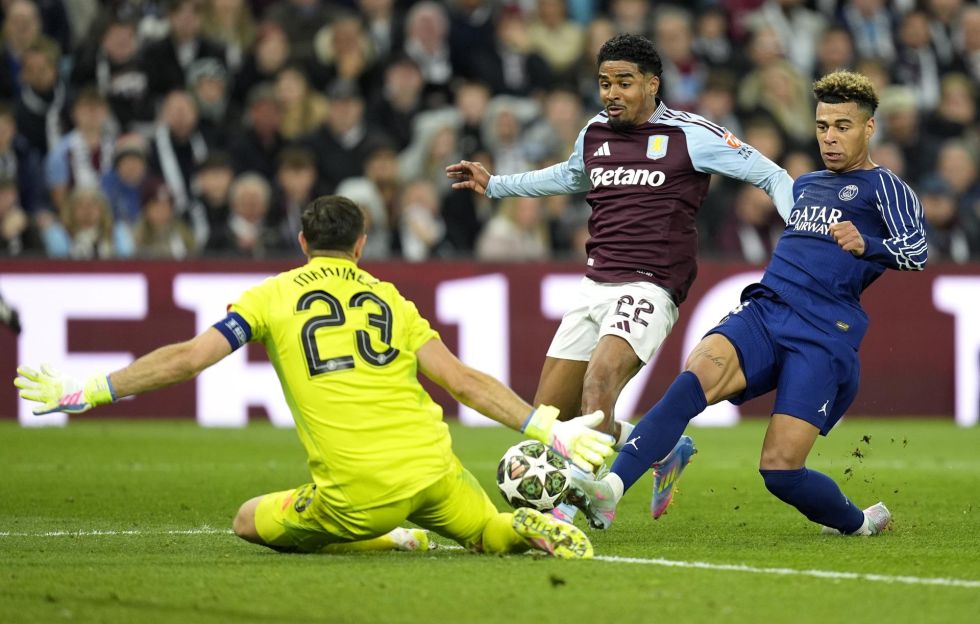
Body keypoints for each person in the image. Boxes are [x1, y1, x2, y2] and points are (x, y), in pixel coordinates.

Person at [14, 195, 615, 559]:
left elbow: (190, 358)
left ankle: (385, 537)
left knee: (248, 520)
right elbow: (461, 380)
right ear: (361, 245)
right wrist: (546, 427)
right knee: (487, 531)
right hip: (435, 470)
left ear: (303, 242)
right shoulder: (390, 299)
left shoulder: (270, 297)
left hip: (360, 494)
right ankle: (522, 530)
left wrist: (93, 390)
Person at [446, 32, 794, 521]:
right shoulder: (594, 132)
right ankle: (659, 447)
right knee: (552, 419)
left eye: (624, 83)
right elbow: (570, 175)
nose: (611, 93)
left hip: (651, 283)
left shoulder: (691, 135)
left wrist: (803, 230)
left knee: (600, 380)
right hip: (595, 284)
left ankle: (578, 507)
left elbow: (772, 175)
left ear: (652, 84)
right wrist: (496, 185)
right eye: (605, 83)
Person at [569, 70, 927, 537]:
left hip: (823, 333)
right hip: (766, 310)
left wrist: (868, 245)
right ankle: (610, 491)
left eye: (843, 127)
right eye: (822, 126)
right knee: (693, 378)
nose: (830, 138)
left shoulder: (886, 188)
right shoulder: (806, 184)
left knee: (780, 471)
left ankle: (860, 522)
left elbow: (917, 251)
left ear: (868, 128)